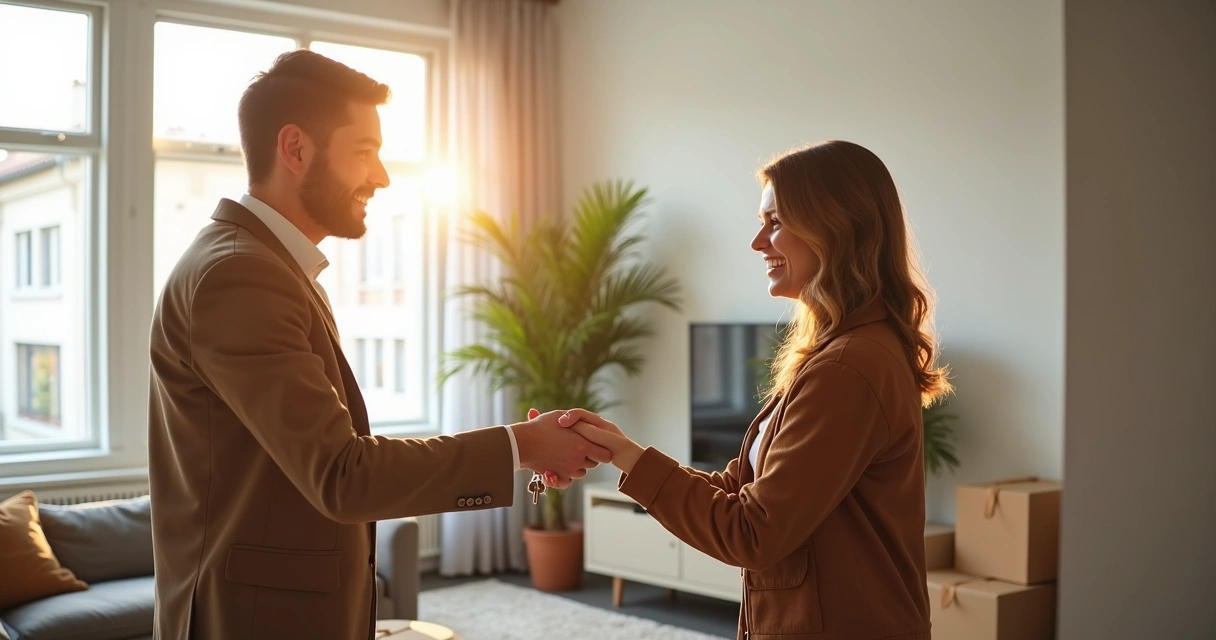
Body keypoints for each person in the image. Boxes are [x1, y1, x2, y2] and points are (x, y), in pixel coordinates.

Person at [147, 50, 608, 640]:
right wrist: (520, 447)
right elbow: (343, 474)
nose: (382, 175)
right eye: (364, 151)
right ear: (295, 149)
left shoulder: (265, 267)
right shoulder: (240, 275)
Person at [554, 140, 951, 640]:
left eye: (776, 222)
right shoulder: (842, 353)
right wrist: (621, 450)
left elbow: (753, 531)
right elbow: (745, 494)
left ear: (835, 227)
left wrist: (633, 462)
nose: (757, 242)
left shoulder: (849, 367)